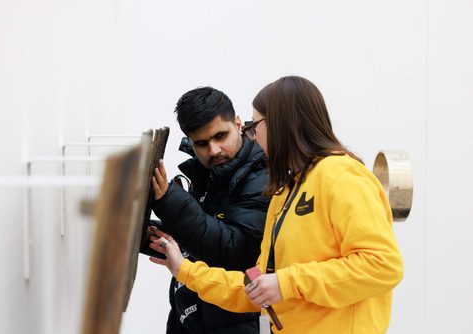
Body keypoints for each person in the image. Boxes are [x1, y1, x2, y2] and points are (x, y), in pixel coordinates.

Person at [149, 76, 404, 334]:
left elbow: (382, 265)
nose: (251, 132)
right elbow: (257, 285)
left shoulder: (341, 174)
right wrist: (185, 270)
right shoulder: (286, 191)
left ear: (281, 125)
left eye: (256, 123)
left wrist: (286, 282)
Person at [148, 86, 270, 334]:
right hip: (196, 317)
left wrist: (170, 202)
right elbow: (205, 231)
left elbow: (236, 250)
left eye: (220, 136)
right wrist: (170, 239)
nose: (214, 150)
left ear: (238, 124)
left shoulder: (262, 175)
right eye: (202, 143)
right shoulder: (208, 175)